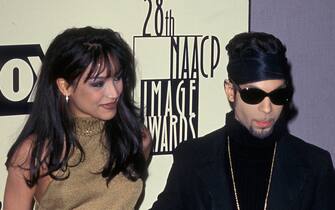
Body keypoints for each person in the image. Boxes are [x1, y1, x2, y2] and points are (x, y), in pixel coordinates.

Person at [150, 32, 335, 210]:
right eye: (254, 95)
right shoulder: (193, 158)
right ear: (231, 91)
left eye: (279, 95)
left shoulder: (315, 166)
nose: (267, 108)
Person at [3, 26, 152, 210]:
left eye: (117, 77)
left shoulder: (135, 137)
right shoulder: (33, 153)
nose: (114, 93)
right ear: (65, 86)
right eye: (98, 83)